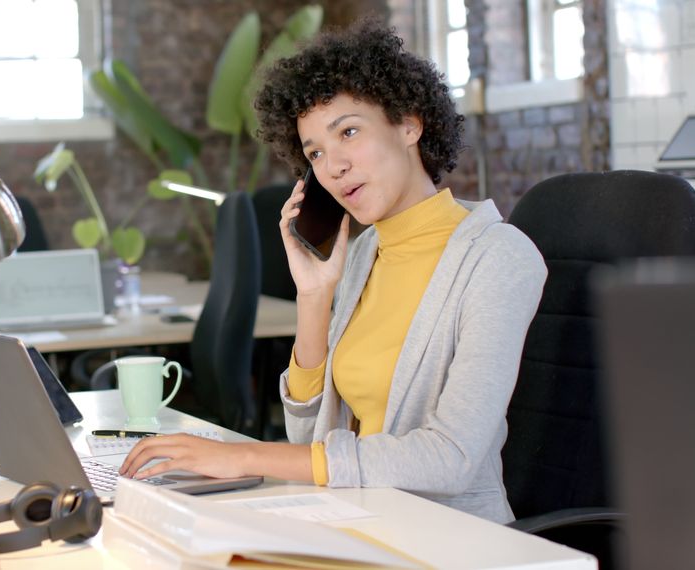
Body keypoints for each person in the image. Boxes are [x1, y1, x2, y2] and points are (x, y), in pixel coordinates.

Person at [119, 19, 547, 523]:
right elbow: (313, 443)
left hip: (449, 535)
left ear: (409, 124)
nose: (333, 166)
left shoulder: (497, 257)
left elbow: (450, 459)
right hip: (357, 519)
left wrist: (247, 454)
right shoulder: (364, 253)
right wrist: (314, 295)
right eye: (316, 152)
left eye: (349, 131)